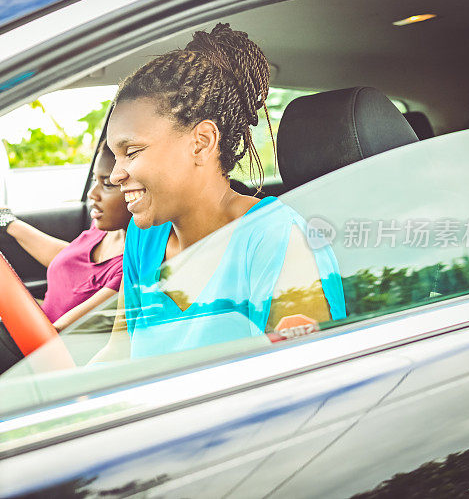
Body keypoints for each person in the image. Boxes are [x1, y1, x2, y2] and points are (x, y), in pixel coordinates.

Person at [95, 23, 346, 360]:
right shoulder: (144, 239)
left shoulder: (277, 241)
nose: (115, 175)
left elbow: (305, 384)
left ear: (202, 143)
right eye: (115, 154)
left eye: (133, 151)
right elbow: (117, 355)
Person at [0, 142, 131, 332]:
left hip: (43, 343)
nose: (92, 193)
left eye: (106, 184)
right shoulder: (106, 228)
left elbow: (60, 330)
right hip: (38, 315)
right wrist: (9, 224)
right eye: (94, 180)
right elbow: (70, 260)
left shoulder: (129, 268)